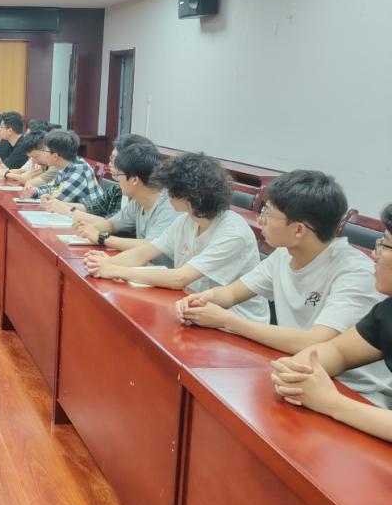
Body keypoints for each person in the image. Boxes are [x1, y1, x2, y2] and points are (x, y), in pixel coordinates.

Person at [176, 171, 392, 407]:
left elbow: (315, 342)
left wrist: (227, 320)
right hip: (298, 370)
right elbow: (232, 293)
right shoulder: (283, 255)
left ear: (299, 230)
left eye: (268, 213)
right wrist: (205, 299)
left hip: (355, 392)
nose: (261, 220)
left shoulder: (355, 273)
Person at [84, 152, 269, 322]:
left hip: (234, 321)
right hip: (191, 308)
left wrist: (115, 270)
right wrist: (106, 263)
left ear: (189, 196)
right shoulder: (186, 221)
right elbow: (145, 252)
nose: (165, 194)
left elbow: (180, 278)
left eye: (170, 190)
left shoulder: (233, 232)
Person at [271, 204, 392, 439]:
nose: (374, 254)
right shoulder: (387, 310)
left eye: (384, 245)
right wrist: (295, 371)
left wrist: (330, 402)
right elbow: (339, 351)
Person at [72, 143, 178, 261]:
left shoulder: (170, 205)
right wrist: (87, 229)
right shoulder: (138, 201)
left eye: (119, 175)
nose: (117, 180)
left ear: (135, 180)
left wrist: (101, 237)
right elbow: (112, 224)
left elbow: (150, 246)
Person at [31, 130, 104, 212]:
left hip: (92, 216)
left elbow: (56, 199)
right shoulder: (65, 166)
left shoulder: (80, 171)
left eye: (44, 151)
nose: (43, 154)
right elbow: (53, 187)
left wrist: (41, 195)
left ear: (55, 156)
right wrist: (35, 191)